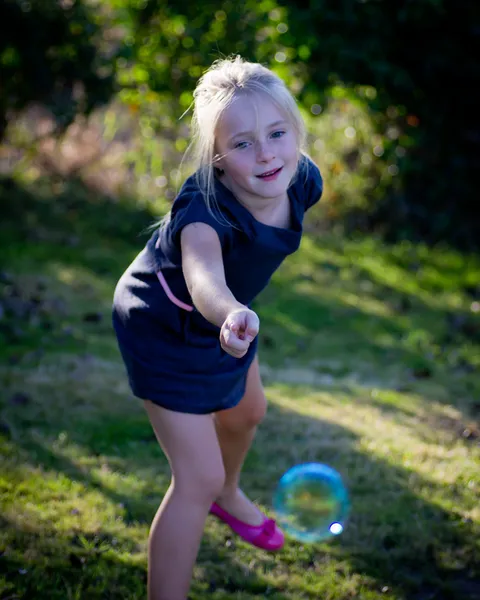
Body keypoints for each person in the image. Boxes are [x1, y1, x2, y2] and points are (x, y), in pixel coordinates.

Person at [112, 55, 323, 600]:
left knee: (249, 411)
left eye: (278, 133)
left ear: (296, 133)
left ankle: (229, 494)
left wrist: (233, 317)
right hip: (163, 323)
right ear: (218, 158)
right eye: (244, 143)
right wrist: (229, 312)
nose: (267, 153)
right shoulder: (204, 211)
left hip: (230, 320)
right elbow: (204, 276)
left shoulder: (302, 179)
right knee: (195, 478)